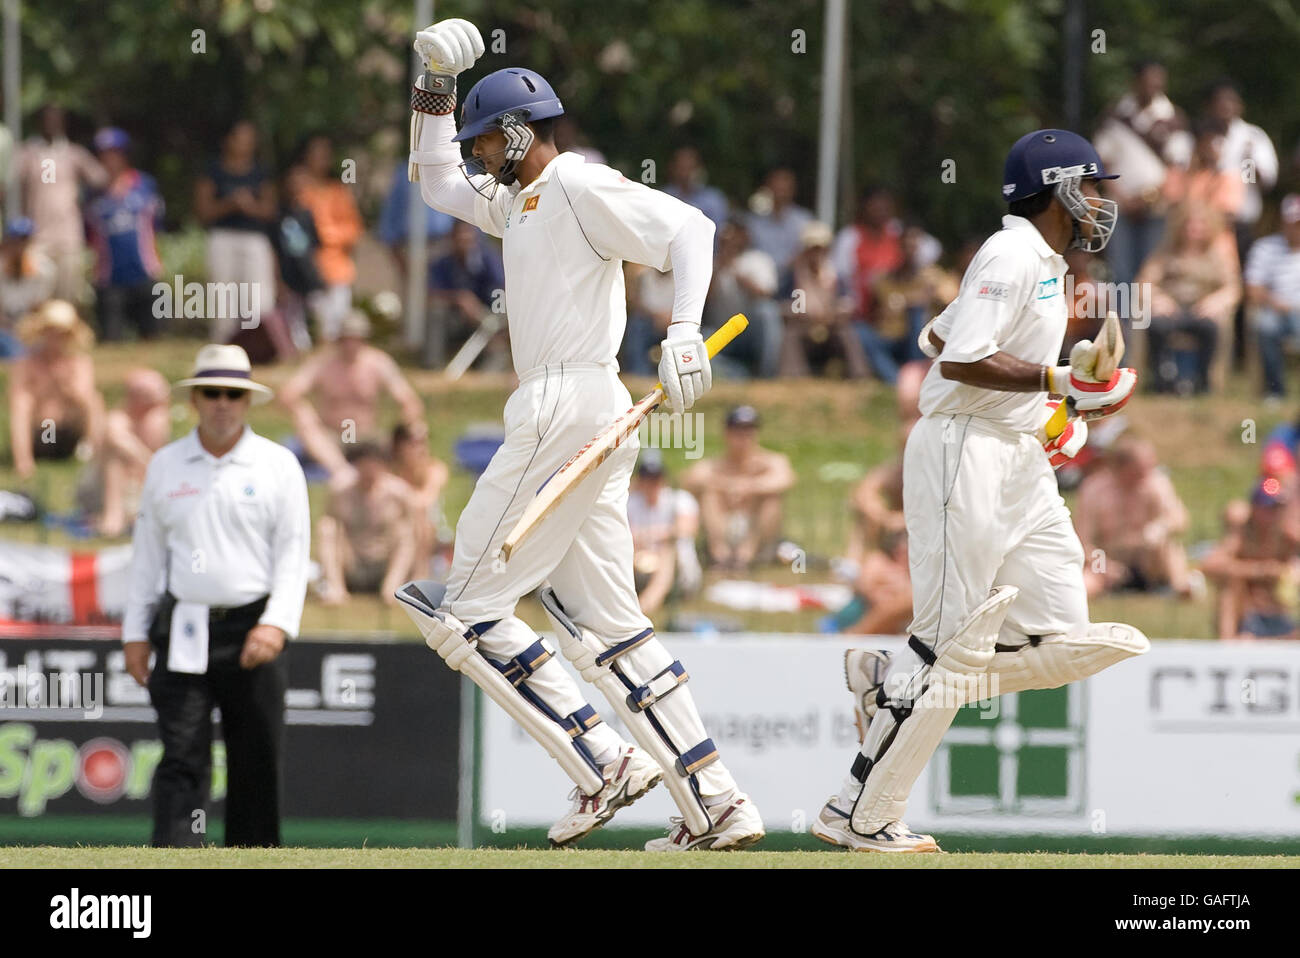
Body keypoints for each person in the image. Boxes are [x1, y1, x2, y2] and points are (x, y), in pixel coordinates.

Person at [402, 19, 763, 851]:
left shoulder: (572, 184)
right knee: (607, 626)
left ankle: (602, 762)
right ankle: (716, 801)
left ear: (522, 131)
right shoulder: (520, 202)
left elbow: (691, 231)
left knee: (460, 609)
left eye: (486, 140)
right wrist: (434, 85)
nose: (478, 155)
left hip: (564, 405)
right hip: (585, 411)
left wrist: (681, 329)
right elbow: (431, 181)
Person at [811, 129, 1148, 853]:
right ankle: (856, 812)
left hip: (1017, 459)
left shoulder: (1044, 263)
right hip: (962, 450)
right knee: (946, 644)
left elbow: (939, 337)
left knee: (1058, 640)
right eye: (1090, 186)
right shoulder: (1010, 252)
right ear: (1056, 187)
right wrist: (1060, 379)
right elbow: (962, 361)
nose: (1099, 201)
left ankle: (888, 680)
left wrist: (1063, 409)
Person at [121, 344, 310, 847]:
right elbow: (147, 556)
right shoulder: (166, 464)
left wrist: (276, 623)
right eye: (212, 392)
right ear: (195, 400)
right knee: (182, 752)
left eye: (233, 394)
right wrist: (134, 633)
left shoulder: (277, 465)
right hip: (183, 624)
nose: (222, 402)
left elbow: (294, 554)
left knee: (257, 755)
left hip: (253, 622)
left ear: (247, 402)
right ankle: (176, 855)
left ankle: (254, 858)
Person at [279, 310, 425, 485]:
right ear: (339, 340)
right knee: (304, 422)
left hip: (367, 438)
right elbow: (288, 394)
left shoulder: (378, 363)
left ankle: (410, 474)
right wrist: (305, 411)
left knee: (417, 428)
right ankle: (342, 471)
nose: (351, 345)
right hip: (330, 438)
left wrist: (404, 425)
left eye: (356, 339)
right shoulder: (323, 364)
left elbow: (409, 400)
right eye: (346, 338)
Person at [1093, 60, 1194, 288]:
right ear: (1136, 82)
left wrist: (1154, 195)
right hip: (1120, 204)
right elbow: (1103, 162)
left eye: (1158, 81)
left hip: (1157, 205)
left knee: (1152, 269)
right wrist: (1123, 198)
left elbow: (1178, 166)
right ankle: (1123, 321)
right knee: (1120, 269)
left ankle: (1149, 322)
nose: (1153, 86)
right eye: (1148, 80)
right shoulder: (1114, 115)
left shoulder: (1173, 118)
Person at [1136, 204, 1240, 394]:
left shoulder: (1218, 253)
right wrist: (1158, 299)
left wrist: (1216, 301)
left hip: (1202, 312)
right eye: (1191, 223)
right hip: (1171, 310)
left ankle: (1202, 382)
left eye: (1201, 224)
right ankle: (1160, 381)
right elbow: (1144, 282)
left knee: (1210, 329)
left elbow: (1232, 288)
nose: (1195, 229)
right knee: (1155, 326)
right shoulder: (1166, 251)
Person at [1073, 436, 1193, 598]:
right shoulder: (1094, 490)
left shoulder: (1156, 483)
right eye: (1138, 471)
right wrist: (1105, 565)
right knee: (1087, 581)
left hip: (1150, 561)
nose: (1145, 476)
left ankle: (1182, 587)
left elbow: (1180, 519)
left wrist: (1161, 527)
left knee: (1169, 546)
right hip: (1109, 562)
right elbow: (1083, 543)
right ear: (1120, 467)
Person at [680, 405, 795, 569]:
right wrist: (727, 485)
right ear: (727, 433)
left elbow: (786, 478)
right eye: (738, 431)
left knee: (771, 497)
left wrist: (749, 486)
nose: (743, 437)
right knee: (709, 494)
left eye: (749, 430)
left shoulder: (770, 461)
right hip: (723, 527)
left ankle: (744, 557)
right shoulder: (715, 464)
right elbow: (689, 479)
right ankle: (720, 556)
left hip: (755, 529)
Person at [194, 120, 277, 343]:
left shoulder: (260, 172)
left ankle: (260, 343)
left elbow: (270, 210)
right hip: (222, 238)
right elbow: (203, 211)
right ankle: (223, 342)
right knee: (223, 293)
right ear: (228, 141)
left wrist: (250, 206)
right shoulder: (213, 170)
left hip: (254, 238)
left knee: (259, 297)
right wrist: (230, 204)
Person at [15, 105, 108, 303]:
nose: (51, 124)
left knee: (68, 294)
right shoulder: (27, 154)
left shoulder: (74, 154)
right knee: (37, 295)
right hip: (38, 237)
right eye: (47, 120)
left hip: (68, 236)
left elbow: (100, 179)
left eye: (56, 120)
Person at [84, 128, 166, 341]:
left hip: (144, 272)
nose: (109, 160)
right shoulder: (92, 194)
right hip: (109, 278)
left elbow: (156, 227)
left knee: (153, 338)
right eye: (103, 154)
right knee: (112, 340)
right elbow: (88, 235)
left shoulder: (145, 185)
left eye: (114, 153)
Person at [7, 300, 104, 479]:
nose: (56, 338)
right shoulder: (27, 364)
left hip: (68, 435)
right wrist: (44, 388)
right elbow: (18, 400)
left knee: (93, 398)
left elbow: (83, 399)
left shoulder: (79, 363)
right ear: (43, 332)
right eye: (52, 332)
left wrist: (65, 386)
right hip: (42, 435)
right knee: (22, 402)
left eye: (61, 334)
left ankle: (95, 455)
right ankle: (23, 461)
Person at [316, 441, 417, 606]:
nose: (370, 470)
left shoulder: (398, 492)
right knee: (327, 528)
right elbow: (329, 523)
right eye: (365, 464)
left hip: (383, 562)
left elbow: (414, 534)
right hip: (352, 562)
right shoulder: (341, 490)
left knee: (404, 531)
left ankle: (392, 588)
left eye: (375, 464)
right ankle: (336, 588)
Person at [75, 367, 171, 537]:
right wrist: (152, 465)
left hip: (139, 490)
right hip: (102, 491)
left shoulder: (158, 421)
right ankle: (113, 519)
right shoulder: (118, 419)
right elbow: (117, 439)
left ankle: (131, 518)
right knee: (115, 457)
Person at [860, 224, 960, 384]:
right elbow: (875, 310)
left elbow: (952, 298)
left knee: (916, 312)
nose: (909, 249)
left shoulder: (931, 276)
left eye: (914, 244)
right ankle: (896, 380)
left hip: (916, 339)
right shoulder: (884, 277)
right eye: (906, 244)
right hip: (889, 335)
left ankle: (913, 374)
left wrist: (916, 299)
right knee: (860, 332)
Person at [1201, 483, 1300, 641]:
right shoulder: (1241, 534)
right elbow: (1210, 565)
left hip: (1279, 612)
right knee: (1230, 583)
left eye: (1278, 508)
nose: (1274, 514)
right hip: (1248, 614)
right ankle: (1228, 644)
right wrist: (1259, 570)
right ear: (1255, 509)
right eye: (1269, 509)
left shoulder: (1287, 536)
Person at [779, 220, 869, 378]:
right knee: (791, 334)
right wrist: (799, 313)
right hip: (803, 328)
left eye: (820, 249)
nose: (816, 254)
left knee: (847, 332)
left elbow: (848, 304)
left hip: (831, 327)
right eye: (812, 249)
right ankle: (793, 377)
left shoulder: (835, 275)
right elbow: (783, 304)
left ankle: (860, 375)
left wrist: (835, 313)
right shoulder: (793, 275)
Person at [297, 134, 364, 341]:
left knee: (336, 325)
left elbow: (353, 229)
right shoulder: (297, 189)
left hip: (335, 266)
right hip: (303, 267)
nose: (321, 158)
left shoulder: (338, 190)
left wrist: (327, 234)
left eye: (325, 153)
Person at [700, 218, 781, 378]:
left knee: (767, 312)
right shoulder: (712, 264)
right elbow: (703, 303)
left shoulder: (758, 259)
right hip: (722, 332)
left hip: (749, 332)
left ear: (745, 236)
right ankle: (738, 375)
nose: (730, 240)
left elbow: (767, 295)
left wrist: (737, 272)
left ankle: (767, 375)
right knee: (700, 342)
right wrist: (719, 268)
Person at [627, 451, 702, 616]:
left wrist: (650, 536)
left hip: (680, 572)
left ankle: (642, 609)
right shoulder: (631, 502)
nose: (651, 483)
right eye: (646, 478)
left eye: (655, 477)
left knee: (667, 551)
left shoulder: (680, 499)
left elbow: (686, 529)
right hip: (638, 565)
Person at [427, 219, 506, 369]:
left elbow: (500, 289)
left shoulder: (489, 260)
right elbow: (432, 293)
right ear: (452, 237)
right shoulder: (443, 263)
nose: (464, 239)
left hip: (486, 316)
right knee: (436, 311)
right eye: (459, 235)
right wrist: (459, 299)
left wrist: (495, 317)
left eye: (468, 234)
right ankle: (433, 366)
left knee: (496, 343)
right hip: (456, 319)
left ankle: (487, 375)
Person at [1245, 194, 1300, 400]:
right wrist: (1275, 302)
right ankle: (1275, 391)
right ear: (1283, 222)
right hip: (1276, 311)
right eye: (1294, 223)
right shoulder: (1265, 247)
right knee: (1265, 326)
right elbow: (1252, 288)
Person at [389, 420, 450, 579]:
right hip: (392, 529)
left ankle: (419, 576)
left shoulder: (435, 469)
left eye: (423, 442)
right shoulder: (388, 470)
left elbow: (425, 500)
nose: (421, 449)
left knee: (420, 516)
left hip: (428, 532)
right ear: (398, 446)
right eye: (413, 443)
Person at [0, 217, 56, 357]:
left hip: (30, 327)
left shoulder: (44, 269)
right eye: (15, 241)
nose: (19, 246)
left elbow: (39, 307)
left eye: (23, 241)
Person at [746, 166, 813, 280]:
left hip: (793, 280)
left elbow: (808, 254)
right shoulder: (753, 222)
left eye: (785, 187)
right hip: (760, 280)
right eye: (777, 186)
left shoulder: (804, 221)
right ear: (767, 187)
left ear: (793, 189)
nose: (780, 191)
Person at [662, 146, 728, 235]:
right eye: (681, 168)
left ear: (699, 169)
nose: (685, 174)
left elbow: (722, 232)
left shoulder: (714, 200)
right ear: (672, 169)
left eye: (690, 168)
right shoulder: (663, 197)